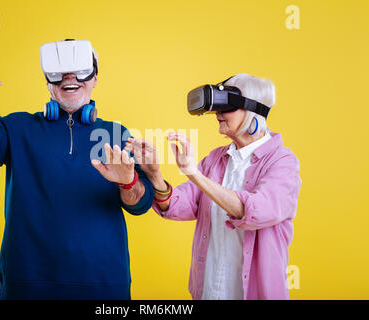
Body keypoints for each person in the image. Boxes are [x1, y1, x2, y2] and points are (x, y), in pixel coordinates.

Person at [0, 40, 154, 300]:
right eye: (59, 72)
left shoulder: (114, 133)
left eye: (79, 70)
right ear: (47, 82)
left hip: (103, 284)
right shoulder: (17, 128)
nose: (69, 77)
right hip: (28, 284)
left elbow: (140, 204)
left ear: (95, 78)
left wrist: (128, 181)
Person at [125, 73, 301, 300]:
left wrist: (194, 174)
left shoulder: (282, 162)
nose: (218, 114)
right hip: (209, 292)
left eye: (226, 106)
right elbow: (178, 205)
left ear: (251, 111)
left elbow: (255, 210)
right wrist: (154, 174)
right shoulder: (216, 159)